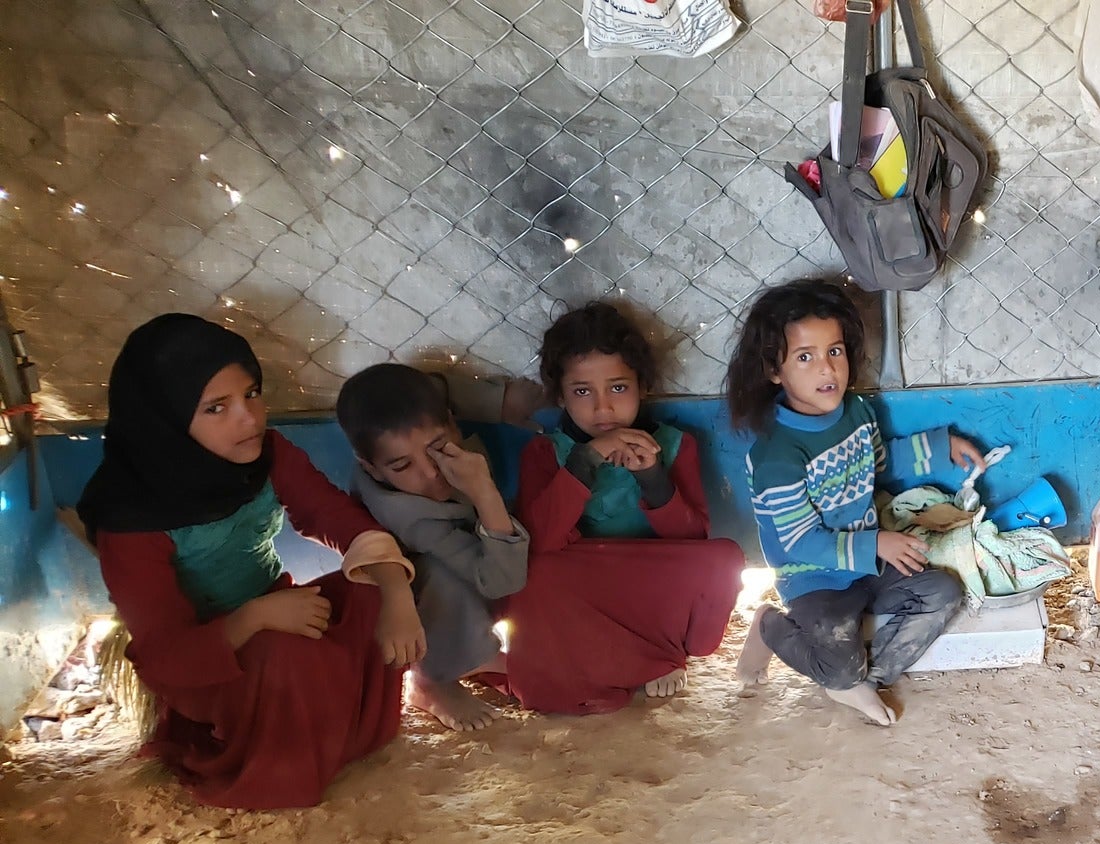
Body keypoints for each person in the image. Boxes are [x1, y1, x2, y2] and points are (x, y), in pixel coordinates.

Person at [80, 314, 423, 809]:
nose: (249, 418)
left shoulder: (267, 454)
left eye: (252, 394)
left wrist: (396, 592)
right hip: (209, 657)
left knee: (373, 586)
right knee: (286, 653)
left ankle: (347, 738)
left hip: (275, 610)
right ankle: (285, 764)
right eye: (217, 408)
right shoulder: (130, 521)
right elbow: (165, 655)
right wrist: (255, 618)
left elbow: (336, 516)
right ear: (166, 420)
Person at [725, 280, 978, 726]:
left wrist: (941, 446)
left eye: (835, 351)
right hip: (814, 579)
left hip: (867, 564)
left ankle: (862, 678)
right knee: (836, 653)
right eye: (805, 357)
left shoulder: (856, 413)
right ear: (773, 370)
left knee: (942, 592)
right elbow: (802, 543)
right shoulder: (776, 456)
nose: (827, 369)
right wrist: (876, 544)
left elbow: (880, 462)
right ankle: (771, 627)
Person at [509, 302, 744, 714]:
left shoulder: (673, 444)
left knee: (724, 558)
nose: (602, 408)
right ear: (561, 396)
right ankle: (642, 661)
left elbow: (693, 539)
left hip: (651, 584)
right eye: (583, 391)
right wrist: (582, 465)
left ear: (642, 387)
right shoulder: (546, 452)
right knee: (535, 572)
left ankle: (660, 651)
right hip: (587, 587)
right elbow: (540, 541)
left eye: (618, 388)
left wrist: (653, 478)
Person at [338, 363, 528, 732]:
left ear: (454, 424)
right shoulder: (413, 521)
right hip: (413, 589)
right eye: (402, 465)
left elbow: (438, 385)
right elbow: (501, 581)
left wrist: (499, 402)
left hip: (463, 542)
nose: (429, 473)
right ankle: (433, 680)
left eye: (437, 448)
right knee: (444, 575)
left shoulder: (425, 423)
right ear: (373, 469)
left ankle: (478, 655)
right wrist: (484, 493)